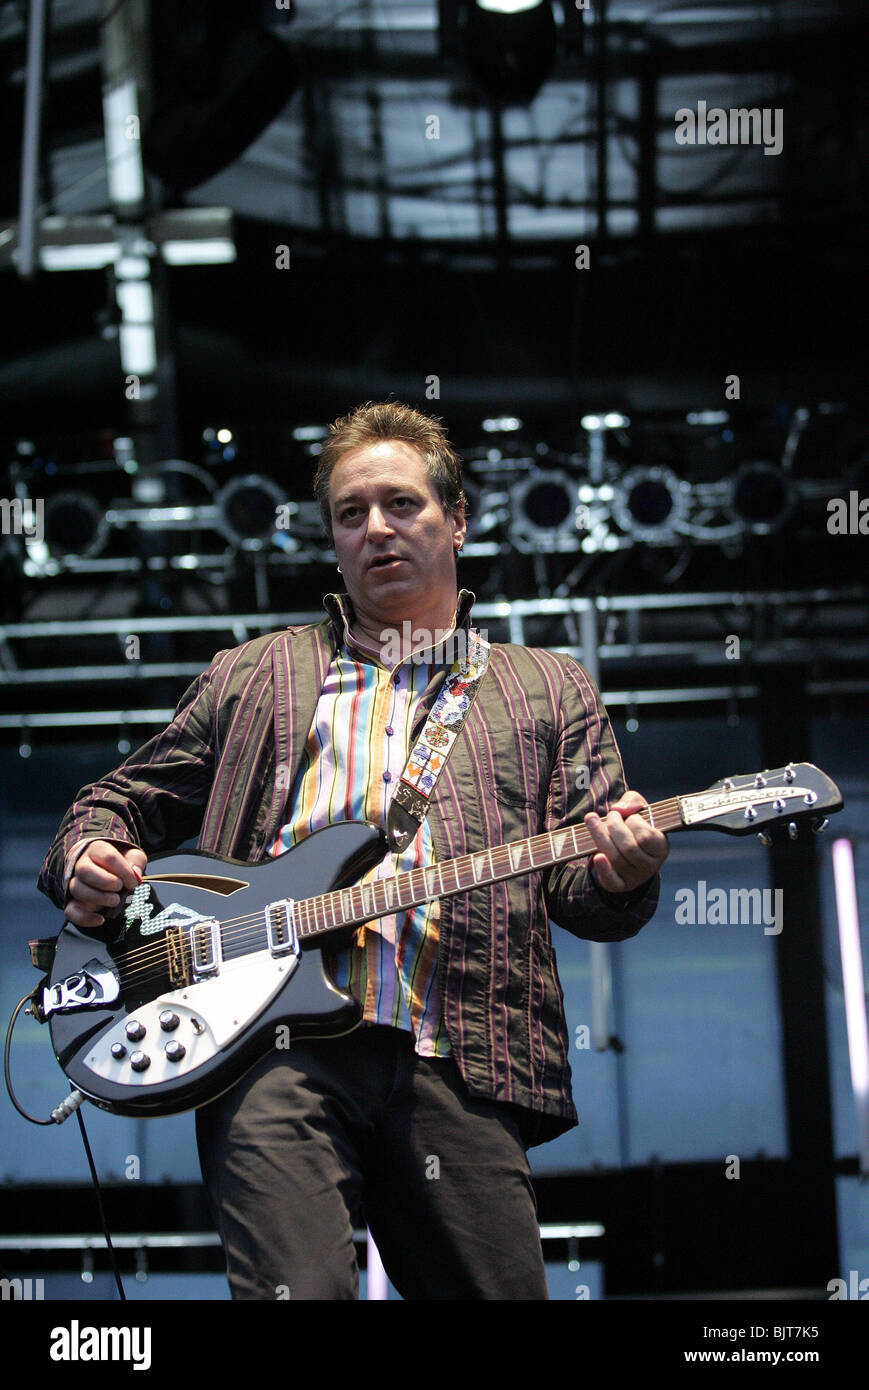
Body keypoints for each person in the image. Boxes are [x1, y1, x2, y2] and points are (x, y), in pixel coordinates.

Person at [38, 400, 669, 1300]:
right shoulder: (253, 673)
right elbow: (117, 802)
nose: (377, 527)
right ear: (332, 538)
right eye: (350, 512)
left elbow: (583, 887)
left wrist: (623, 869)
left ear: (456, 519)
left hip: (462, 1046)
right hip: (266, 1047)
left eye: (402, 504)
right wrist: (89, 854)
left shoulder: (546, 687)